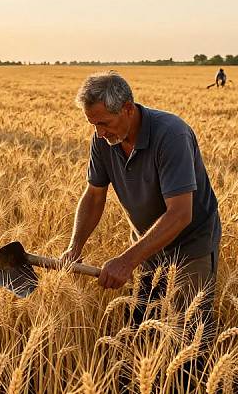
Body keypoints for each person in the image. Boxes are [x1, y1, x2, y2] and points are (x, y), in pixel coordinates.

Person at [61, 71, 221, 326]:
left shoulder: (171, 135)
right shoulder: (103, 139)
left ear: (127, 109)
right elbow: (93, 196)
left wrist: (126, 261)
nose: (99, 133)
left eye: (104, 123)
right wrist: (74, 247)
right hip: (147, 246)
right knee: (142, 326)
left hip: (191, 245)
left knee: (189, 331)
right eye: (93, 125)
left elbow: (180, 214)